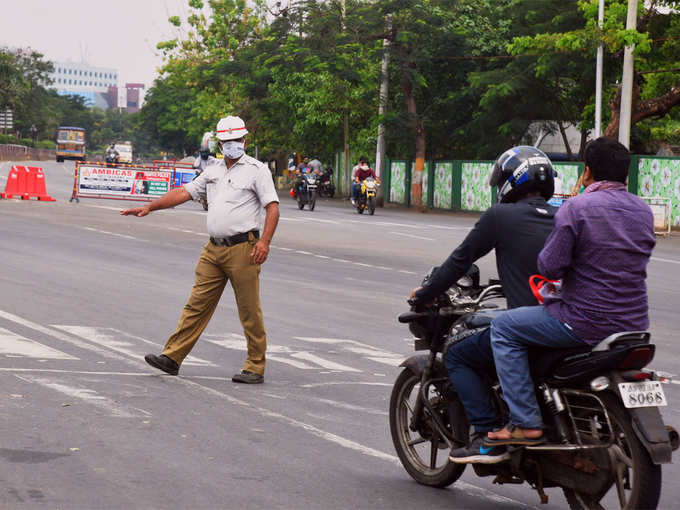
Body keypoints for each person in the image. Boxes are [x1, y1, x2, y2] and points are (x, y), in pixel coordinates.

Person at [485, 137, 655, 448]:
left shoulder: (575, 208)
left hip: (583, 321)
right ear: (625, 175)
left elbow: (550, 267)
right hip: (634, 323)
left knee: (503, 327)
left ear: (587, 172)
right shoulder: (643, 211)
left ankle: (525, 422)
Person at [410, 146, 558, 465]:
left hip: (532, 325)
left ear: (510, 181)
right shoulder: (564, 215)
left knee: (458, 352)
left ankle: (486, 435)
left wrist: (423, 294)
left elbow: (458, 263)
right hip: (571, 321)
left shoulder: (500, 216)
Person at [120, 115, 280, 384]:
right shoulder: (214, 169)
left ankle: (255, 365)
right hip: (213, 249)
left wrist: (264, 242)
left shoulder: (257, 170)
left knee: (249, 309)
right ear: (219, 142)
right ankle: (172, 357)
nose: (232, 145)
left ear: (245, 141)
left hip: (244, 248)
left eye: (237, 140)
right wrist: (150, 207)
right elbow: (184, 192)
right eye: (227, 141)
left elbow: (272, 208)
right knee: (196, 305)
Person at [193, 131, 218, 210]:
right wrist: (197, 170)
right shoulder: (199, 159)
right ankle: (200, 198)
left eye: (205, 153)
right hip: (201, 175)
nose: (204, 154)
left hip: (211, 176)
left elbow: (219, 164)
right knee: (193, 185)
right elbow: (195, 165)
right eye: (202, 153)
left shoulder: (212, 159)